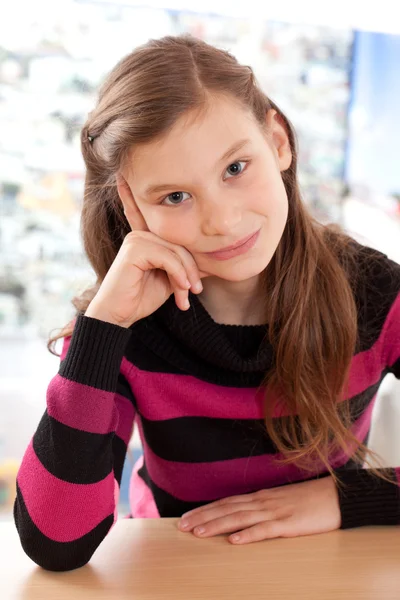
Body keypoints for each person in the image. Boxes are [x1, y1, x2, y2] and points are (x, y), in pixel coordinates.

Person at [13, 35, 400, 572]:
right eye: (175, 197)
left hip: (327, 568)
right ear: (130, 205)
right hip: (173, 568)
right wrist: (103, 326)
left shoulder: (376, 292)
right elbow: (56, 542)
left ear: (278, 141)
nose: (221, 220)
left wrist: (350, 497)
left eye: (236, 168)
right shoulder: (123, 326)